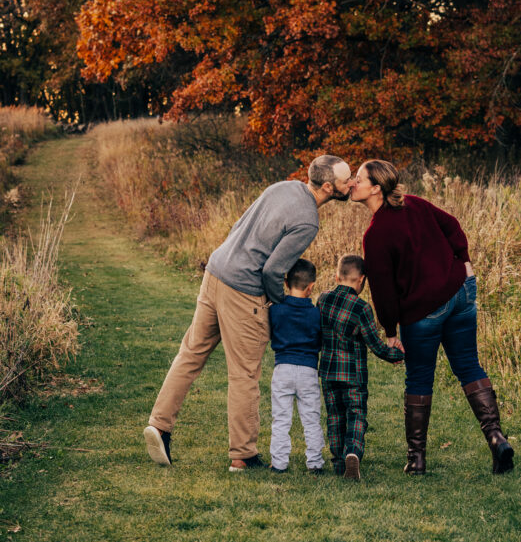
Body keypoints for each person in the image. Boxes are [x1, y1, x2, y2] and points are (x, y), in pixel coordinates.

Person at [143, 155, 353, 471]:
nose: (350, 184)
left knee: (190, 354)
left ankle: (159, 426)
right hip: (243, 289)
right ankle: (242, 455)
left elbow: (239, 226)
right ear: (328, 186)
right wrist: (280, 303)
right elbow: (273, 270)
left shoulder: (283, 187)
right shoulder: (308, 220)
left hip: (215, 271)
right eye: (346, 180)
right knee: (244, 372)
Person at [352, 159, 514, 476]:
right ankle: (496, 438)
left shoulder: (376, 235)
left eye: (358, 178)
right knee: (468, 364)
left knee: (419, 378)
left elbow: (383, 291)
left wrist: (389, 331)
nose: (353, 183)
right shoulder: (415, 204)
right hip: (460, 291)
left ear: (375, 188)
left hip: (426, 308)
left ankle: (417, 460)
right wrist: (464, 265)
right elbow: (453, 225)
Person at [317, 254, 404, 481]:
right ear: (362, 280)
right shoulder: (361, 308)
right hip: (353, 376)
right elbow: (375, 345)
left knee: (335, 416)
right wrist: (397, 354)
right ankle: (352, 452)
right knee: (356, 415)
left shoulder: (323, 299)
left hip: (327, 372)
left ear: (337, 276)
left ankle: (338, 461)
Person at [269, 258, 325, 474]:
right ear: (311, 287)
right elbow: (319, 340)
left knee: (281, 417)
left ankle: (279, 463)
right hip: (308, 370)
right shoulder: (316, 314)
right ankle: (315, 462)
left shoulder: (276, 310)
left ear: (285, 283)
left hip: (282, 368)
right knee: (311, 417)